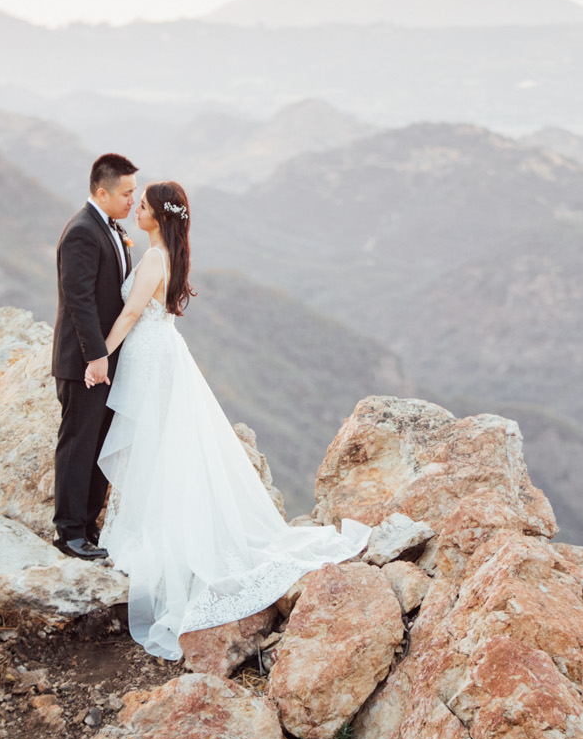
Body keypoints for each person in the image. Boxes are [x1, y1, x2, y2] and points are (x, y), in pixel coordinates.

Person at [92, 180, 370, 660]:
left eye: (141, 206)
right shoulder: (170, 254)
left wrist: (99, 356)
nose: (135, 210)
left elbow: (133, 311)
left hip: (150, 357)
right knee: (166, 449)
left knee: (158, 449)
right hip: (163, 355)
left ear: (159, 215)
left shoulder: (156, 258)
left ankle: (169, 545)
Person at [49, 153, 139, 560]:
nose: (132, 201)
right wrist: (96, 357)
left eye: (134, 192)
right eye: (126, 193)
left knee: (100, 443)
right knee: (78, 443)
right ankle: (68, 533)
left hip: (107, 360)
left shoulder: (112, 230)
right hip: (85, 363)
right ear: (101, 192)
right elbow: (79, 300)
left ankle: (88, 526)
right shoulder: (82, 232)